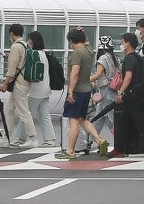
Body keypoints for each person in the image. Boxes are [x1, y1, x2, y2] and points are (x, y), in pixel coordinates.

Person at [109, 33, 144, 158]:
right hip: (136, 95)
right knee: (125, 122)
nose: (121, 45)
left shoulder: (130, 58)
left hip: (132, 97)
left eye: (123, 42)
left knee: (141, 123)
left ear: (128, 43)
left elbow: (128, 77)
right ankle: (120, 148)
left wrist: (121, 92)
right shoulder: (137, 57)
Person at [55, 28, 109, 159]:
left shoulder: (77, 54)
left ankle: (70, 151)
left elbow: (75, 73)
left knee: (73, 121)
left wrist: (70, 92)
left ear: (71, 41)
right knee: (82, 119)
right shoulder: (89, 51)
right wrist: (82, 32)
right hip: (86, 91)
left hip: (77, 91)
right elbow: (87, 42)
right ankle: (99, 140)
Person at [0, 23, 37, 148]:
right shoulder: (26, 45)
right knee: (9, 110)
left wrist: (5, 83)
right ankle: (5, 137)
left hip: (18, 83)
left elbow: (12, 68)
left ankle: (33, 138)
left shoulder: (16, 46)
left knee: (23, 111)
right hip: (25, 81)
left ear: (11, 33)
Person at [25, 31, 56, 148]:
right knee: (44, 115)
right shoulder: (43, 54)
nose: (28, 42)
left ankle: (23, 138)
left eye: (29, 39)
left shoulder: (34, 54)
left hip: (35, 90)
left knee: (26, 114)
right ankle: (50, 139)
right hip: (45, 89)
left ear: (33, 41)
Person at [88, 35, 120, 139]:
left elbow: (98, 75)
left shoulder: (103, 58)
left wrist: (84, 80)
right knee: (99, 117)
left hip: (105, 91)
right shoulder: (115, 57)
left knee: (113, 119)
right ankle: (91, 141)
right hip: (113, 90)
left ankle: (121, 142)